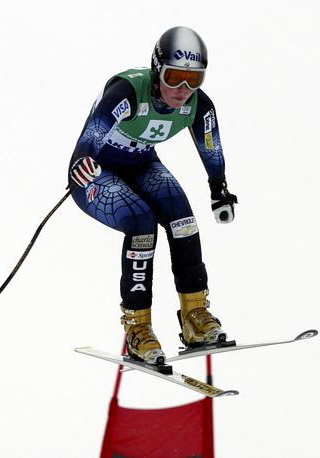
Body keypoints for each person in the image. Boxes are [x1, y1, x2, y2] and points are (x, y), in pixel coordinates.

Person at [68, 26, 238, 366]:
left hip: (142, 162)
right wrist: (85, 160)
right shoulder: (127, 92)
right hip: (95, 171)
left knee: (183, 218)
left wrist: (218, 188)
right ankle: (137, 328)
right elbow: (95, 131)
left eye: (195, 79)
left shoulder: (198, 106)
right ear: (157, 68)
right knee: (142, 223)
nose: (183, 90)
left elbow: (211, 146)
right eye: (174, 77)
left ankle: (195, 317)